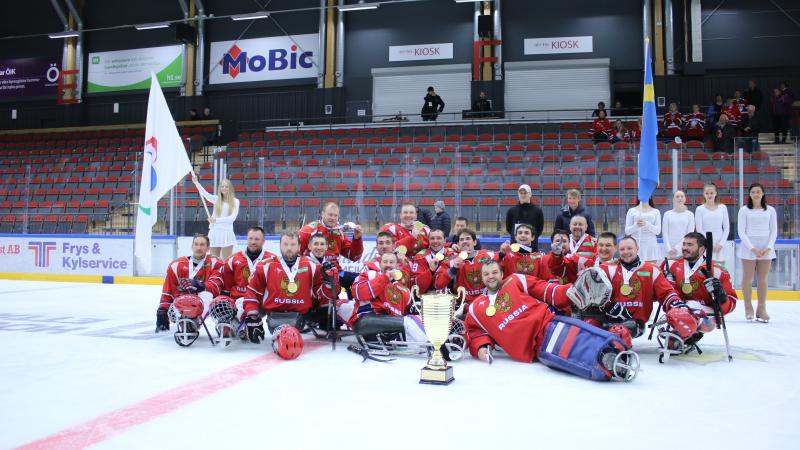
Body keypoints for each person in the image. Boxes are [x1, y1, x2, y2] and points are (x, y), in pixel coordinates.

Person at [466, 260, 639, 381]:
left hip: (548, 325)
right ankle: (612, 356)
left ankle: (615, 349)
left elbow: (546, 290)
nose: (491, 276)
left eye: (495, 272)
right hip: (535, 350)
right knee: (577, 355)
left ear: (501, 273)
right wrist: (482, 348)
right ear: (482, 278)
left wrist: (571, 291)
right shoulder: (476, 308)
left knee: (580, 339)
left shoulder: (515, 280)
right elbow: (476, 333)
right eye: (486, 274)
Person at [240, 233, 337, 344]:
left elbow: (323, 295)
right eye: (285, 244)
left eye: (293, 244)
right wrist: (252, 317)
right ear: (280, 246)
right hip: (274, 315)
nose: (289, 248)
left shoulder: (312, 266)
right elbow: (252, 292)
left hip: (302, 316)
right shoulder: (265, 266)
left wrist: (330, 283)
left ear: (299, 247)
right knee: (239, 304)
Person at [659, 232, 737, 354]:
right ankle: (685, 334)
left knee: (692, 306)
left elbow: (731, 303)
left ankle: (689, 334)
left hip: (708, 318)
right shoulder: (671, 265)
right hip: (679, 309)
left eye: (690, 245)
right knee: (680, 310)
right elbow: (658, 293)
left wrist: (721, 297)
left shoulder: (717, 270)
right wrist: (666, 283)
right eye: (684, 244)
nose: (684, 247)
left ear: (701, 249)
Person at [593, 236, 683, 340]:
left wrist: (676, 303)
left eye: (629, 248)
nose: (626, 252)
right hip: (607, 319)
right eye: (622, 249)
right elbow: (594, 293)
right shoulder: (607, 268)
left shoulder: (652, 270)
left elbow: (666, 292)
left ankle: (681, 341)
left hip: (634, 323)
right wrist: (609, 306)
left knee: (683, 316)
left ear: (637, 248)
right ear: (618, 250)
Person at [155, 234, 225, 340]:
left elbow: (216, 286)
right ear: (192, 246)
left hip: (204, 301)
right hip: (182, 300)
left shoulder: (216, 263)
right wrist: (162, 309)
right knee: (178, 299)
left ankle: (193, 322)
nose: (198, 248)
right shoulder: (176, 265)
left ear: (208, 248)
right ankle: (185, 322)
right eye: (196, 244)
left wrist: (199, 284)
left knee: (207, 294)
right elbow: (168, 289)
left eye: (202, 245)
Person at [298, 201, 364, 297]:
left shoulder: (338, 231)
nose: (333, 218)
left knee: (362, 280)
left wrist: (357, 239)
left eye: (335, 215)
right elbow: (295, 256)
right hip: (315, 275)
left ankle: (355, 309)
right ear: (322, 214)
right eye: (330, 215)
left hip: (337, 273)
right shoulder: (307, 231)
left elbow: (353, 256)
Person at [737, 183, 778, 323]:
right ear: (749, 194)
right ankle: (748, 308)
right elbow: (741, 231)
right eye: (753, 192)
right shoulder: (744, 210)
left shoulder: (770, 210)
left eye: (758, 191)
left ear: (763, 193)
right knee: (748, 278)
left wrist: (768, 247)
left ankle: (761, 309)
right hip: (749, 247)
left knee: (763, 279)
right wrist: (752, 248)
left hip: (766, 248)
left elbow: (774, 231)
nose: (756, 194)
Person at [435, 228, 500, 307]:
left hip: (487, 302)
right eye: (461, 239)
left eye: (468, 238)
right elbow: (438, 284)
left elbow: (502, 263)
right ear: (458, 244)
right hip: (463, 305)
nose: (465, 241)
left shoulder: (488, 255)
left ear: (475, 242)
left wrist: (503, 253)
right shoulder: (451, 261)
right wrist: (454, 268)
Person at [221, 226, 277, 302]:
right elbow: (226, 290)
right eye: (250, 239)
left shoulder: (273, 260)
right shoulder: (232, 260)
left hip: (262, 302)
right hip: (239, 301)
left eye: (257, 239)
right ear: (246, 239)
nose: (253, 242)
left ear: (263, 241)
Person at [192, 175, 239, 259]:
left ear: (230, 188)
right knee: (213, 261)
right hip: (214, 232)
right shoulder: (217, 199)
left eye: (226, 186)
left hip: (226, 232)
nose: (224, 188)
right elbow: (205, 195)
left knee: (226, 262)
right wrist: (196, 183)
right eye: (222, 186)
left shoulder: (235, 201)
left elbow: (232, 218)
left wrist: (215, 220)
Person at [548, 231, 618, 283]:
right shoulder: (582, 259)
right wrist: (556, 255)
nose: (604, 248)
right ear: (596, 246)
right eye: (601, 245)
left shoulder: (620, 268)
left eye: (608, 245)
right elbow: (559, 270)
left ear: (615, 248)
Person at [694, 182, 731, 265]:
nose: (709, 195)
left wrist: (721, 244)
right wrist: (709, 245)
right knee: (705, 274)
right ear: (704, 194)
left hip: (720, 246)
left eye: (711, 193)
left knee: (720, 273)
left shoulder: (722, 207)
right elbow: (699, 230)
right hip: (705, 245)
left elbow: (726, 228)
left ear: (716, 193)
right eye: (707, 193)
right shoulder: (699, 209)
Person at [411, 229, 456, 293]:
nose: (435, 241)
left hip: (451, 296)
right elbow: (416, 287)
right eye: (432, 238)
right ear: (428, 240)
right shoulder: (420, 257)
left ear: (444, 240)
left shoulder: (453, 254)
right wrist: (430, 271)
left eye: (439, 238)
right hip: (426, 297)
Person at [505, 184, 544, 251]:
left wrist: (529, 238)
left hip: (532, 246)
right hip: (515, 247)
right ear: (518, 194)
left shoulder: (538, 211)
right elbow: (509, 228)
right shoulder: (511, 211)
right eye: (521, 193)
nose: (523, 195)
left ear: (530, 194)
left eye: (525, 193)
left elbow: (539, 229)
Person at [625, 198, 661, 263]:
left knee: (650, 270)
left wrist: (647, 224)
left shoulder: (656, 211)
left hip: (650, 244)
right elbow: (627, 231)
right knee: (635, 270)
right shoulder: (631, 211)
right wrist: (636, 226)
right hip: (636, 244)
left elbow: (658, 231)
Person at [661, 190, 695, 258]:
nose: (680, 198)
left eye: (682, 196)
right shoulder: (667, 214)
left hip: (685, 248)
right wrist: (669, 249)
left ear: (685, 199)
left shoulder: (690, 214)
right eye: (677, 196)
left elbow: (690, 233)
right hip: (669, 250)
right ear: (673, 199)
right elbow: (665, 233)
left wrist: (677, 248)